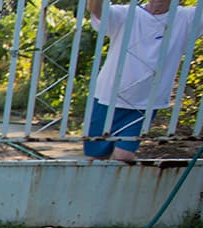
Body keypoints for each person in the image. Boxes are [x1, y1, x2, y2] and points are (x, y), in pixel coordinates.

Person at [83, 0, 203, 161]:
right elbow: (96, 9)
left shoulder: (187, 17)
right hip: (107, 98)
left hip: (145, 103)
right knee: (96, 157)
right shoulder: (125, 13)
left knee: (123, 156)